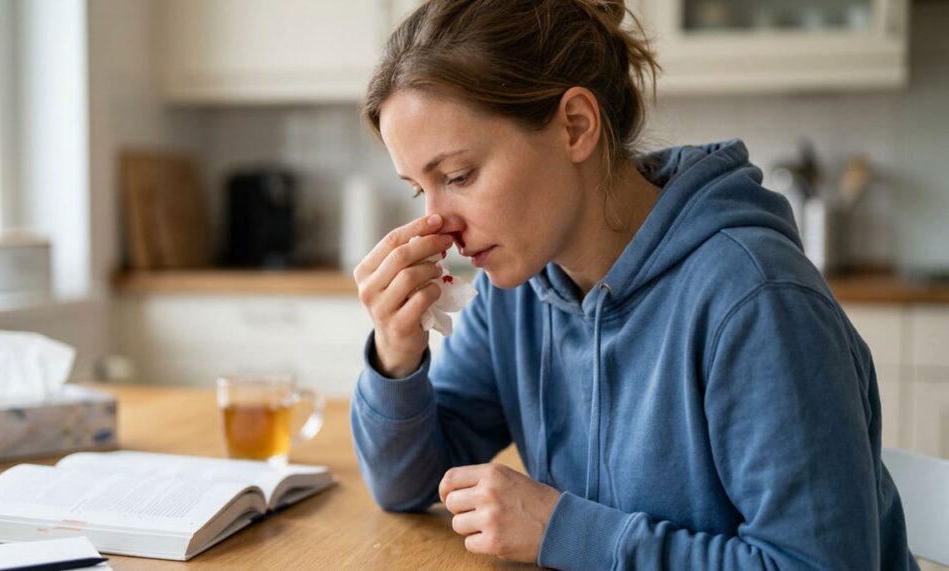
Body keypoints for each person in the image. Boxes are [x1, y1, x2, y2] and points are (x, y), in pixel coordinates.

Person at [349, 0, 919, 569]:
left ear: (575, 125)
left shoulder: (755, 299)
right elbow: (408, 484)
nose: (439, 224)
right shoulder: (517, 290)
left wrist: (563, 530)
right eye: (420, 190)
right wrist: (395, 355)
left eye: (458, 176)